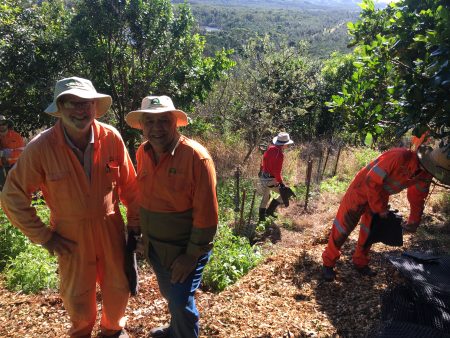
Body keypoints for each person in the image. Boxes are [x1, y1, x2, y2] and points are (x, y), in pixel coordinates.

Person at [1, 77, 140, 338]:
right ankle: (81, 332)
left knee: (118, 288)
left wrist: (134, 227)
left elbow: (131, 187)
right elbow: (12, 196)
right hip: (69, 235)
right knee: (77, 296)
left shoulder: (111, 138)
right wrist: (44, 236)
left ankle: (112, 331)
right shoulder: (41, 147)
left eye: (85, 103)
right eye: (72, 104)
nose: (80, 110)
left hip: (110, 229)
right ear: (60, 107)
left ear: (94, 107)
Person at [125, 95, 218, 338]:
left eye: (164, 121)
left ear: (175, 122)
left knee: (179, 300)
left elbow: (207, 213)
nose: (157, 129)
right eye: (150, 122)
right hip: (156, 247)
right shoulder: (142, 152)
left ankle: (184, 332)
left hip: (184, 250)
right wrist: (139, 233)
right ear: (142, 126)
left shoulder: (196, 157)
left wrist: (191, 255)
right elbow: (144, 196)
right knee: (170, 294)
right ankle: (175, 329)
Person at [321, 144, 450, 282]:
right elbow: (371, 180)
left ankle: (360, 262)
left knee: (370, 230)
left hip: (381, 195)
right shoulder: (399, 157)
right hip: (360, 190)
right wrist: (380, 209)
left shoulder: (424, 174)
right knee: (343, 227)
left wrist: (414, 220)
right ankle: (328, 264)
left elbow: (417, 197)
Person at [258, 132, 294, 221]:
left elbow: (262, 161)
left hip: (263, 176)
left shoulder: (269, 149)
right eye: (287, 144)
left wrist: (261, 170)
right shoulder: (280, 155)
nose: (287, 146)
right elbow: (277, 172)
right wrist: (281, 183)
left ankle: (262, 218)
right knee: (285, 194)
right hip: (270, 179)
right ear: (284, 144)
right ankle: (269, 211)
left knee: (265, 197)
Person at [0, 115, 25, 190]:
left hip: (14, 166)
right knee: (4, 190)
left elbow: (22, 151)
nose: (1, 126)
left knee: (17, 188)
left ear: (7, 124)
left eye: (3, 123)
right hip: (1, 168)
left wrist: (10, 153)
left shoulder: (16, 136)